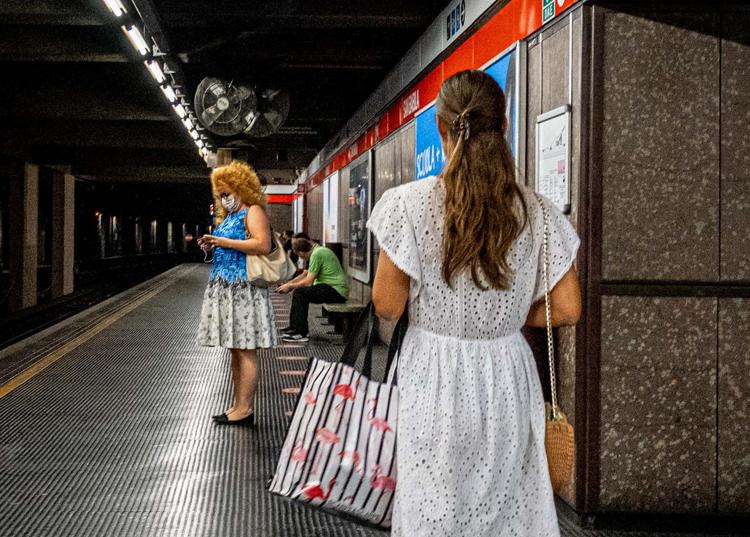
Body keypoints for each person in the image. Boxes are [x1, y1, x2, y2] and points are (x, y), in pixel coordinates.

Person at [367, 70, 581, 536]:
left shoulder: (407, 204)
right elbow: (566, 308)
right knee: (508, 505)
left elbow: (386, 303)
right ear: (504, 128)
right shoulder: (537, 211)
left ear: (442, 130)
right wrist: (511, 314)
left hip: (432, 375)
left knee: (434, 502)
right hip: (508, 373)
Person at [196, 160, 278, 426]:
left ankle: (246, 408)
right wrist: (211, 247)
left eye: (227, 192)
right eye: (220, 194)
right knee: (234, 349)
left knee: (246, 350)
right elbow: (231, 246)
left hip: (244, 289)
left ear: (242, 188)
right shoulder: (230, 217)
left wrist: (222, 241)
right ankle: (237, 404)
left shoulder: (253, 211)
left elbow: (262, 244)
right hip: (226, 287)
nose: (224, 198)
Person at [276, 234, 349, 343]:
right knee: (299, 292)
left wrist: (290, 286)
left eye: (301, 257)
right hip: (332, 288)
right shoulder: (317, 251)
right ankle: (295, 327)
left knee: (301, 293)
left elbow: (308, 282)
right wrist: (288, 283)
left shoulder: (316, 254)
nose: (302, 259)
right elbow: (305, 274)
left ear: (301, 252)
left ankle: (300, 332)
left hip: (336, 290)